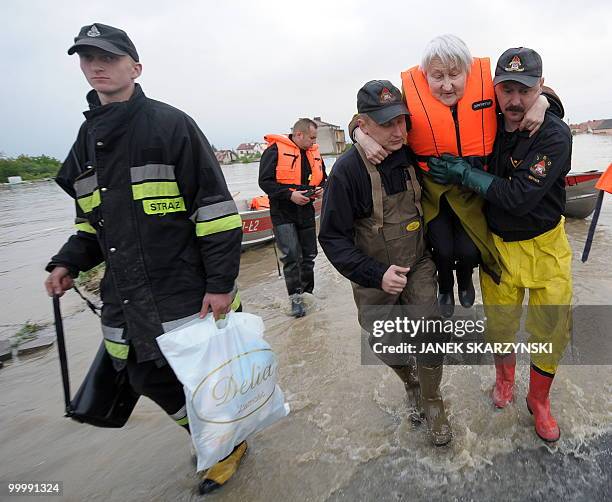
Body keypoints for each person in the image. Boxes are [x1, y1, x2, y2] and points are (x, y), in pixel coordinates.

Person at [43, 23, 247, 494]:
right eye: (87, 58)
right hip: (127, 291)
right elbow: (90, 226)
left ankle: (225, 443)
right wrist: (66, 263)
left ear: (134, 67)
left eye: (108, 58)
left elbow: (216, 213)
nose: (96, 66)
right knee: (142, 373)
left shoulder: (170, 124)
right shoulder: (85, 140)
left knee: (202, 376)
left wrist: (220, 284)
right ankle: (211, 435)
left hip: (183, 285)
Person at [427, 47, 572, 443]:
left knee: (550, 329)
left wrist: (464, 175)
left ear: (539, 86)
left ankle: (539, 402)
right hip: (499, 248)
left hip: (545, 248)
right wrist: (357, 130)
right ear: (493, 90)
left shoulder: (554, 134)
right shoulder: (485, 118)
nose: (514, 100)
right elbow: (427, 106)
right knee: (500, 326)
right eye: (506, 89)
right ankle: (504, 381)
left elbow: (518, 197)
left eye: (526, 91)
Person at [351, 35, 553, 317]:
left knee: (470, 251)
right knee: (443, 249)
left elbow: (528, 92)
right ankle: (445, 285)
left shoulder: (488, 90)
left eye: (454, 74)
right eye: (438, 76)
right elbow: (368, 114)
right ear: (425, 76)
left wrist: (544, 102)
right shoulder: (411, 95)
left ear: (467, 72)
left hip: (473, 188)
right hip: (434, 190)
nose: (447, 85)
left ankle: (465, 278)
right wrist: (359, 134)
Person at [319, 80, 452, 446]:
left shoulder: (411, 152)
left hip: (419, 264)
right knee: (385, 343)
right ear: (364, 124)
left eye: (401, 121)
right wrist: (376, 274)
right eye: (386, 124)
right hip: (373, 274)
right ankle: (410, 383)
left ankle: (433, 400)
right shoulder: (346, 171)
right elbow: (331, 238)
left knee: (430, 333)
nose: (398, 132)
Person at [259, 118, 327, 317]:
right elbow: (265, 182)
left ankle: (308, 294)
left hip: (306, 211)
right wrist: (290, 195)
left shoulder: (313, 152)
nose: (314, 143)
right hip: (283, 212)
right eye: (311, 138)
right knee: (291, 257)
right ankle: (296, 300)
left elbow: (324, 177)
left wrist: (323, 188)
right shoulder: (274, 151)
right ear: (299, 135)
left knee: (309, 256)